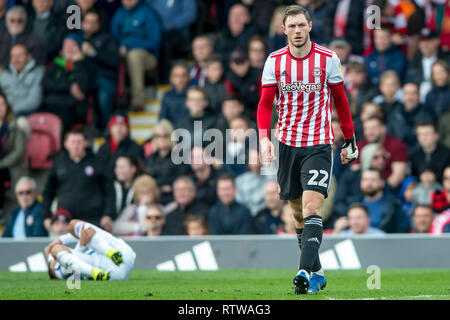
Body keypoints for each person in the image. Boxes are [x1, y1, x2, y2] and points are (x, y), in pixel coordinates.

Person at [256, 5, 358, 295]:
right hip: (287, 144)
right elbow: (265, 104)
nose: (297, 31)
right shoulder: (274, 61)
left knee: (314, 208)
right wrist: (265, 138)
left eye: (302, 25)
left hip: (319, 144)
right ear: (283, 29)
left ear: (310, 26)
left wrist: (349, 139)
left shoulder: (328, 59)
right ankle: (318, 272)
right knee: (298, 215)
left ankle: (301, 271)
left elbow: (341, 100)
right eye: (292, 27)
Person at [42, 129, 116, 231]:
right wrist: (46, 216)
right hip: (65, 222)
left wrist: (108, 214)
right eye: (73, 142)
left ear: (85, 143)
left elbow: (109, 191)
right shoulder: (59, 163)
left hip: (93, 221)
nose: (76, 146)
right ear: (66, 144)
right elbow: (48, 192)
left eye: (79, 142)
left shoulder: (98, 162)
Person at [45, 219, 136, 280]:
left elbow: (84, 233)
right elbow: (60, 270)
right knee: (73, 225)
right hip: (121, 258)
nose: (55, 258)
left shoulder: (78, 255)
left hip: (113, 269)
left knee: (79, 229)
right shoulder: (75, 263)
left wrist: (61, 240)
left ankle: (107, 254)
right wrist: (80, 245)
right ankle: (107, 252)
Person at [111, 0, 161, 110]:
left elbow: (155, 41)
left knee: (134, 55)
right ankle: (116, 102)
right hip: (121, 55)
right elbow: (112, 38)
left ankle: (138, 100)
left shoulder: (148, 13)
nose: (127, 1)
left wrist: (129, 46)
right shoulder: (119, 14)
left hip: (147, 56)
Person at [41, 33, 95, 132]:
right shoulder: (56, 63)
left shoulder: (86, 64)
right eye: (66, 45)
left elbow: (84, 87)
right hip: (50, 104)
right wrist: (69, 86)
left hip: (71, 108)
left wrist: (78, 63)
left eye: (73, 45)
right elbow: (46, 82)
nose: (69, 49)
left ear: (79, 48)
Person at [81, 8, 120, 131]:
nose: (90, 25)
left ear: (98, 24)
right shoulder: (77, 40)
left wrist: (94, 52)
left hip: (105, 78)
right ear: (82, 23)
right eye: (88, 22)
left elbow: (115, 61)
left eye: (94, 22)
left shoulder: (108, 39)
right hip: (84, 79)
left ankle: (105, 129)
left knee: (103, 96)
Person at [344, 168, 410, 233]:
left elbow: (402, 229)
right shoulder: (352, 203)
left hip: (385, 242)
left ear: (382, 183)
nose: (369, 183)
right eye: (365, 179)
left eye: (373, 180)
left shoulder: (393, 204)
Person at [353, 115, 408, 189]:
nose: (369, 132)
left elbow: (398, 175)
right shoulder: (359, 146)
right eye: (366, 129)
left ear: (383, 128)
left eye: (373, 128)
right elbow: (355, 172)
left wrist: (380, 191)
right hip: (364, 188)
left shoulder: (396, 145)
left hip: (389, 190)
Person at [145, 119, 190, 205]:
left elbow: (180, 179)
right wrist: (160, 186)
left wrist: (159, 184)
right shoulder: (150, 159)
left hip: (173, 198)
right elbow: (147, 180)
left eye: (165, 136)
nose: (161, 139)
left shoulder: (179, 157)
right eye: (158, 136)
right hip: (153, 198)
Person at [0, 92, 27, 219]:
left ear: (7, 107)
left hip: (12, 167)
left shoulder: (14, 126)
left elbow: (18, 151)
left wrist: (2, 164)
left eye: (2, 104)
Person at [387, 82, 435, 152]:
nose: (410, 97)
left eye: (413, 93)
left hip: (420, 155)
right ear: (403, 96)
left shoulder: (428, 115)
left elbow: (428, 139)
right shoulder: (394, 114)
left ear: (419, 96)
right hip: (398, 153)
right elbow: (389, 136)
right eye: (407, 93)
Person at [0, 44, 45, 116]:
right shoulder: (5, 72)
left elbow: (34, 101)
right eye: (13, 56)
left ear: (28, 57)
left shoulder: (38, 72)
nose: (16, 59)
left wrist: (11, 111)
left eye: (19, 55)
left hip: (27, 114)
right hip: (4, 113)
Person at [97, 112, 143, 179]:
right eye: (115, 125)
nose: (118, 129)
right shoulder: (103, 148)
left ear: (128, 129)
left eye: (122, 125)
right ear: (110, 128)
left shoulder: (135, 148)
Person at [235, 148, 275, 216]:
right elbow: (238, 202)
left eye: (257, 159)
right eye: (252, 160)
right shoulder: (240, 181)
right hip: (246, 216)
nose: (255, 164)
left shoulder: (271, 176)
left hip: (266, 213)